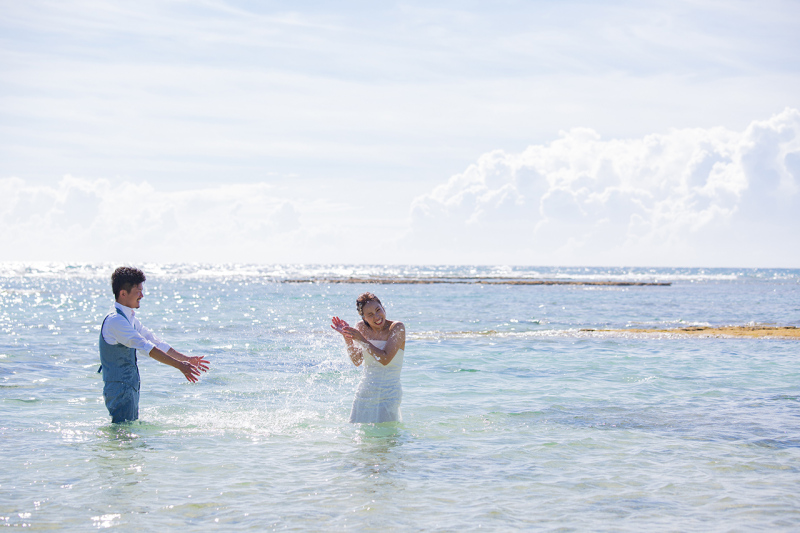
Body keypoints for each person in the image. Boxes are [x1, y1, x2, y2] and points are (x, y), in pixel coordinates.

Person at [99, 266, 210, 423]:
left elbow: (154, 341)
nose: (142, 296)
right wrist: (179, 365)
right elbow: (146, 347)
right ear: (123, 293)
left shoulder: (129, 318)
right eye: (138, 291)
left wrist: (186, 358)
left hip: (129, 388)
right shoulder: (115, 321)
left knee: (127, 439)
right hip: (120, 390)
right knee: (123, 439)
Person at [331, 292, 405, 423]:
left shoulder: (397, 327)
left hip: (389, 394)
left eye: (378, 310)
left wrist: (361, 340)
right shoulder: (361, 328)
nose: (376, 316)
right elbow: (357, 361)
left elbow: (385, 359)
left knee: (386, 439)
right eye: (370, 314)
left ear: (383, 308)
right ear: (364, 317)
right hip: (364, 393)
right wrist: (347, 338)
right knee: (359, 439)